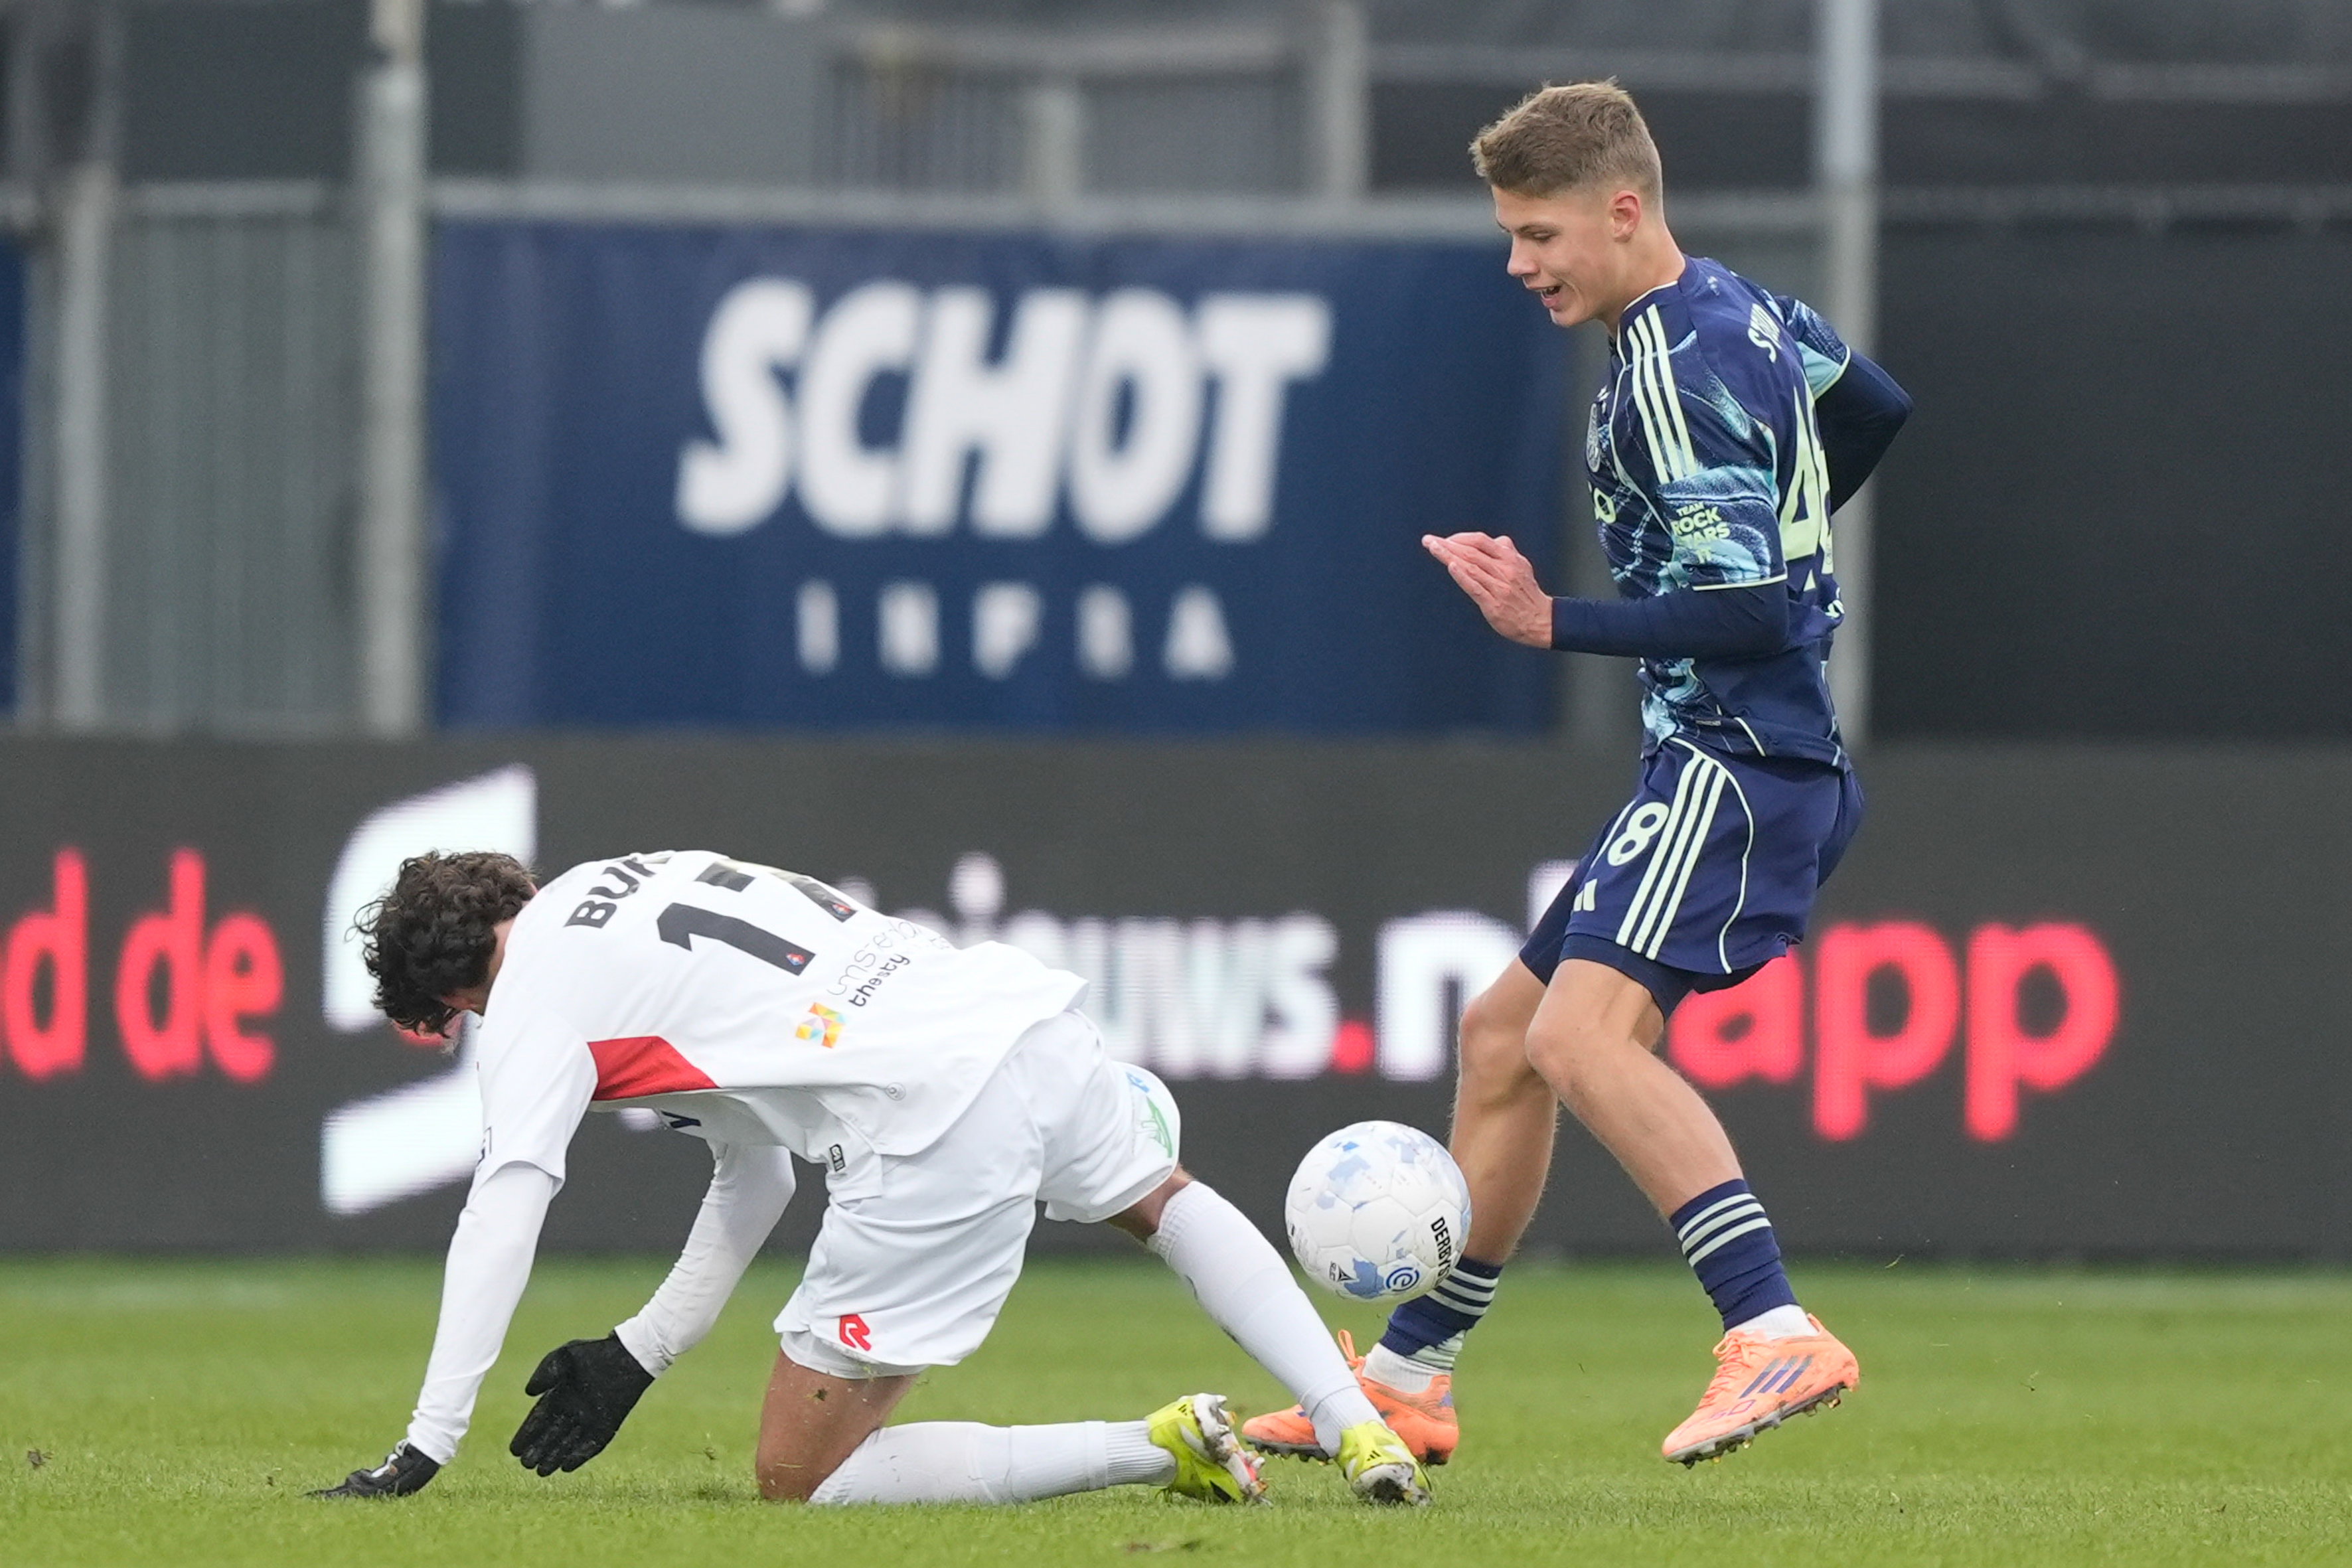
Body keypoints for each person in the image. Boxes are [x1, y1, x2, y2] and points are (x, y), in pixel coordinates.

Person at [1245, 81, 1913, 1470]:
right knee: (1503, 1037)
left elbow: (1753, 615)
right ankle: (1414, 1378)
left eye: (1537, 231)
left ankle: (1768, 1324)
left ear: (1622, 211)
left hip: (1739, 759)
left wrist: (1553, 619)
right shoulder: (1742, 309)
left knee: (1576, 1041)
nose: (1517, 262)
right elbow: (1873, 410)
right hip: (1725, 754)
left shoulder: (1678, 361)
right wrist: (1783, 522)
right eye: (1508, 232)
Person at [313, 849, 1429, 1506]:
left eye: (449, 1020)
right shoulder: (616, 884)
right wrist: (639, 1349)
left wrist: (429, 1440)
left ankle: (1161, 1443)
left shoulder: (528, 1007)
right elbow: (753, 1174)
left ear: (449, 994)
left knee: (799, 1476)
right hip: (1016, 1016)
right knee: (1161, 1197)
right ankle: (1353, 1421)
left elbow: (503, 1207)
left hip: (927, 1109)